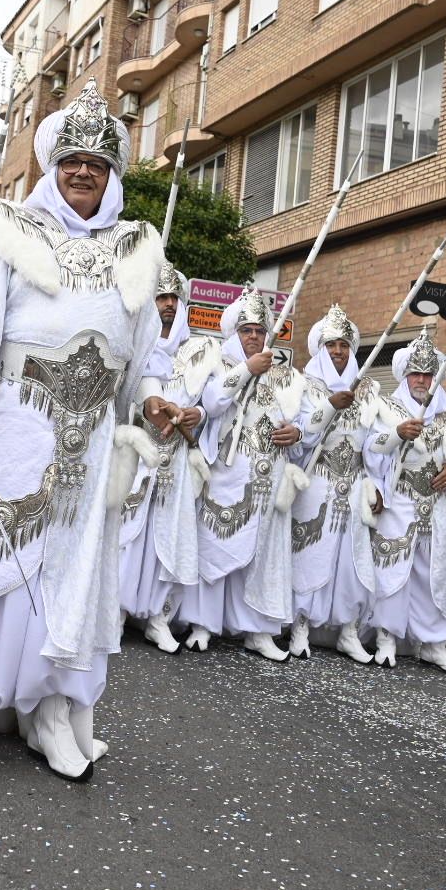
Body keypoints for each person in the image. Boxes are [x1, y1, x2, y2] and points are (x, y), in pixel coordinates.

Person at [0, 78, 174, 783]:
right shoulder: (5, 230)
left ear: (112, 176)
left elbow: (149, 347)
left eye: (98, 163)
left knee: (71, 580)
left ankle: (52, 714)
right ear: (53, 167)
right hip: (18, 425)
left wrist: (157, 396)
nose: (84, 171)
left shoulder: (137, 248)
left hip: (90, 441)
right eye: (72, 159)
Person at [179, 290, 327, 661]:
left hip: (270, 478)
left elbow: (311, 420)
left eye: (260, 330)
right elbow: (212, 403)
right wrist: (247, 369)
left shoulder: (288, 377)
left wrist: (299, 433)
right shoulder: (221, 363)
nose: (254, 337)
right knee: (216, 543)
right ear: (235, 332)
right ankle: (202, 624)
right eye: (247, 330)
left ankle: (258, 631)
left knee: (264, 555)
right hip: (228, 473)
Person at [362, 326, 446, 674]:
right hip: (399, 501)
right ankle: (386, 638)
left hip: (435, 506)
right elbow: (369, 449)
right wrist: (396, 434)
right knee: (393, 572)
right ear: (405, 374)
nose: (421, 379)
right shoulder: (387, 407)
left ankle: (434, 644)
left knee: (434, 576)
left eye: (427, 373)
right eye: (415, 373)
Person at [114, 265, 211, 654]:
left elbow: (216, 404)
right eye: (161, 297)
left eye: (174, 298)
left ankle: (157, 618)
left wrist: (197, 415)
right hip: (135, 457)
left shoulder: (202, 351)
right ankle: (114, 614)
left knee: (166, 539)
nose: (168, 304)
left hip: (177, 459)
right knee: (126, 537)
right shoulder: (133, 343)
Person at [288, 305, 377, 661]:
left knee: (349, 561)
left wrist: (375, 484)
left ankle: (348, 630)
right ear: (320, 348)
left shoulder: (368, 390)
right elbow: (299, 435)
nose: (338, 351)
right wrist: (328, 405)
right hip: (317, 482)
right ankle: (299, 625)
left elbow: (374, 443)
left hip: (353, 484)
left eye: (344, 344)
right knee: (309, 555)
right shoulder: (304, 385)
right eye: (331, 345)